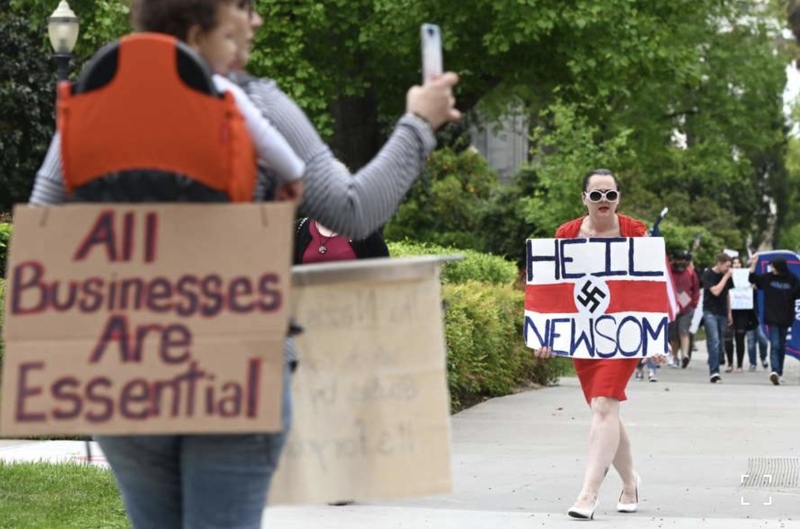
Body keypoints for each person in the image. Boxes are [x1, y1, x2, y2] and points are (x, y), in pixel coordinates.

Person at [29, 1, 461, 527]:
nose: (254, 21)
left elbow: (45, 226)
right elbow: (354, 210)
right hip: (234, 365)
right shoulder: (253, 103)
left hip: (123, 367)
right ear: (197, 27)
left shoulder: (95, 105)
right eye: (242, 7)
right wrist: (419, 122)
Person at [534, 168, 650, 520]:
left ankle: (589, 493)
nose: (603, 201)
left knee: (603, 405)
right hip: (585, 336)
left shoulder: (636, 232)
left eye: (610, 195)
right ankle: (630, 483)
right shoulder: (565, 235)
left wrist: (655, 336)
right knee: (606, 411)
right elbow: (552, 291)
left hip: (623, 334)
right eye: (596, 194)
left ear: (619, 198)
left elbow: (650, 287)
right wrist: (546, 334)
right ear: (584, 198)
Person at [748, 256, 800, 385]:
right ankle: (775, 371)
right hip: (772, 316)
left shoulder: (792, 279)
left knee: (781, 345)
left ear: (778, 267)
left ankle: (779, 371)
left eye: (773, 266)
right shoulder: (768, 278)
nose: (771, 268)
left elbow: (798, 293)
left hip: (786, 316)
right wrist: (753, 264)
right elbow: (753, 279)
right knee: (775, 344)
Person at [701, 253, 733, 383]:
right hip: (710, 311)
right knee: (714, 341)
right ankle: (714, 372)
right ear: (719, 263)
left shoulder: (727, 276)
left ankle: (715, 361)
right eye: (727, 266)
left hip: (722, 312)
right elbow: (715, 291)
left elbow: (726, 294)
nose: (728, 269)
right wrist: (725, 277)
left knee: (720, 343)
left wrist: (729, 311)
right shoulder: (708, 274)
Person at [667, 249, 700, 369]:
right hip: (672, 307)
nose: (681, 263)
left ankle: (685, 355)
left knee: (683, 330)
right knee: (674, 334)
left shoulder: (690, 273)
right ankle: (674, 356)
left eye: (683, 260)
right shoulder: (668, 272)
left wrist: (694, 304)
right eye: (678, 260)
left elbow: (696, 290)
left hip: (687, 307)